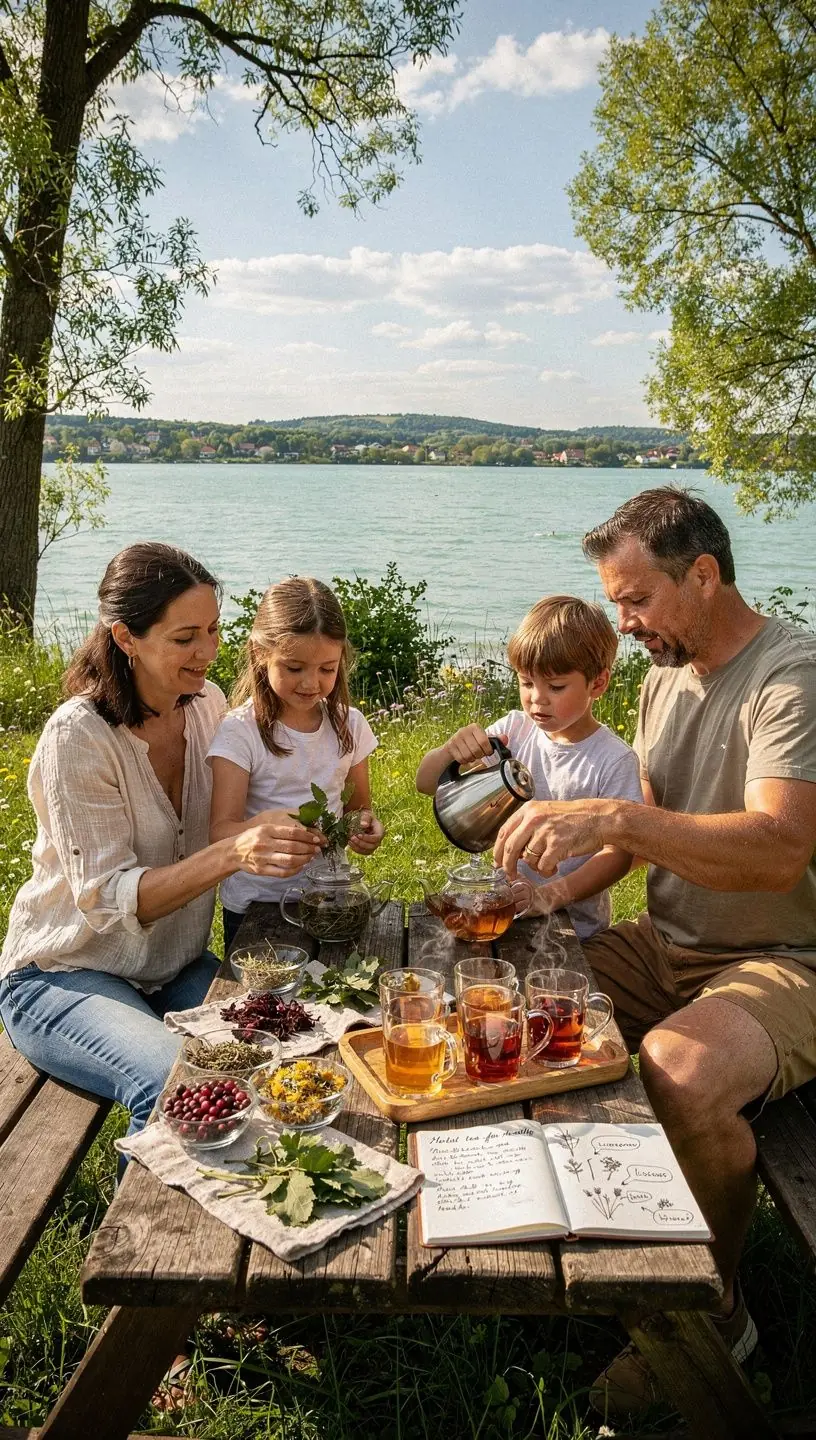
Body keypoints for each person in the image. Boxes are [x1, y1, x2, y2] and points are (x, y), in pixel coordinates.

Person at [494, 488, 816, 1417]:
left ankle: (714, 1314)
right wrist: (553, 892)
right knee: (508, 998)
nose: (622, 622)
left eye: (634, 600)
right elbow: (641, 840)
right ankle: (571, 1241)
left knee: (676, 1072)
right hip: (668, 942)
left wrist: (615, 814)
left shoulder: (791, 678)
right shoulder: (663, 676)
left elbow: (778, 847)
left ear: (704, 574)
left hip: (787, 956)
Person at [0, 543, 322, 1136]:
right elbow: (105, 900)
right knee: (178, 1085)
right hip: (65, 974)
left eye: (214, 630)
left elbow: (249, 808)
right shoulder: (78, 737)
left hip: (175, 969)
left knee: (293, 1049)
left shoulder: (210, 709)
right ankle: (147, 1232)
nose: (207, 652)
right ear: (126, 638)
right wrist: (233, 852)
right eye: (184, 638)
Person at [416, 594, 642, 938]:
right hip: (501, 915)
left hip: (574, 931)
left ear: (598, 683)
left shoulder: (613, 759)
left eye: (555, 686)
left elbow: (619, 854)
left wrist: (549, 896)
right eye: (526, 682)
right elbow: (426, 783)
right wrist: (451, 751)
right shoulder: (513, 731)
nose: (537, 698)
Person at [208, 575, 384, 948]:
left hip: (329, 898)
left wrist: (365, 828)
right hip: (256, 906)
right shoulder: (240, 731)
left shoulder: (350, 724)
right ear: (260, 653)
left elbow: (359, 808)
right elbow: (220, 831)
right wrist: (263, 826)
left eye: (327, 669)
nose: (311, 683)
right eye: (294, 667)